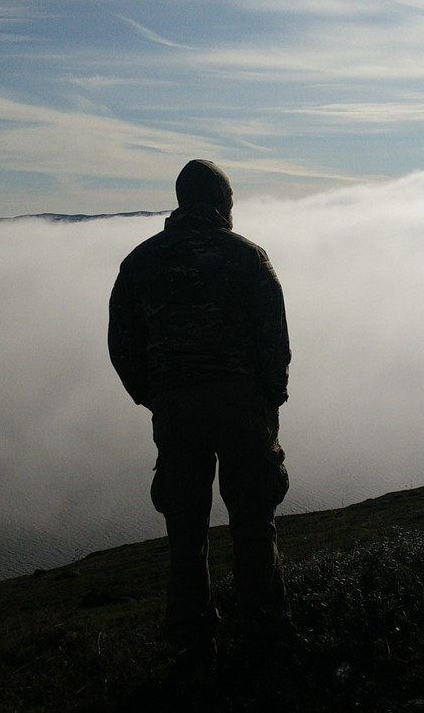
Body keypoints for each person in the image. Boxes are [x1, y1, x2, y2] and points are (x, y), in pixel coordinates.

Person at [108, 159, 292, 678]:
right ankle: (266, 645)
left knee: (185, 536)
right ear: (221, 203)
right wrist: (268, 401)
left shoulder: (141, 261)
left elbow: (122, 345)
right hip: (243, 412)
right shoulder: (248, 257)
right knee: (254, 527)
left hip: (177, 415)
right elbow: (274, 340)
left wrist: (155, 398)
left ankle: (192, 650)